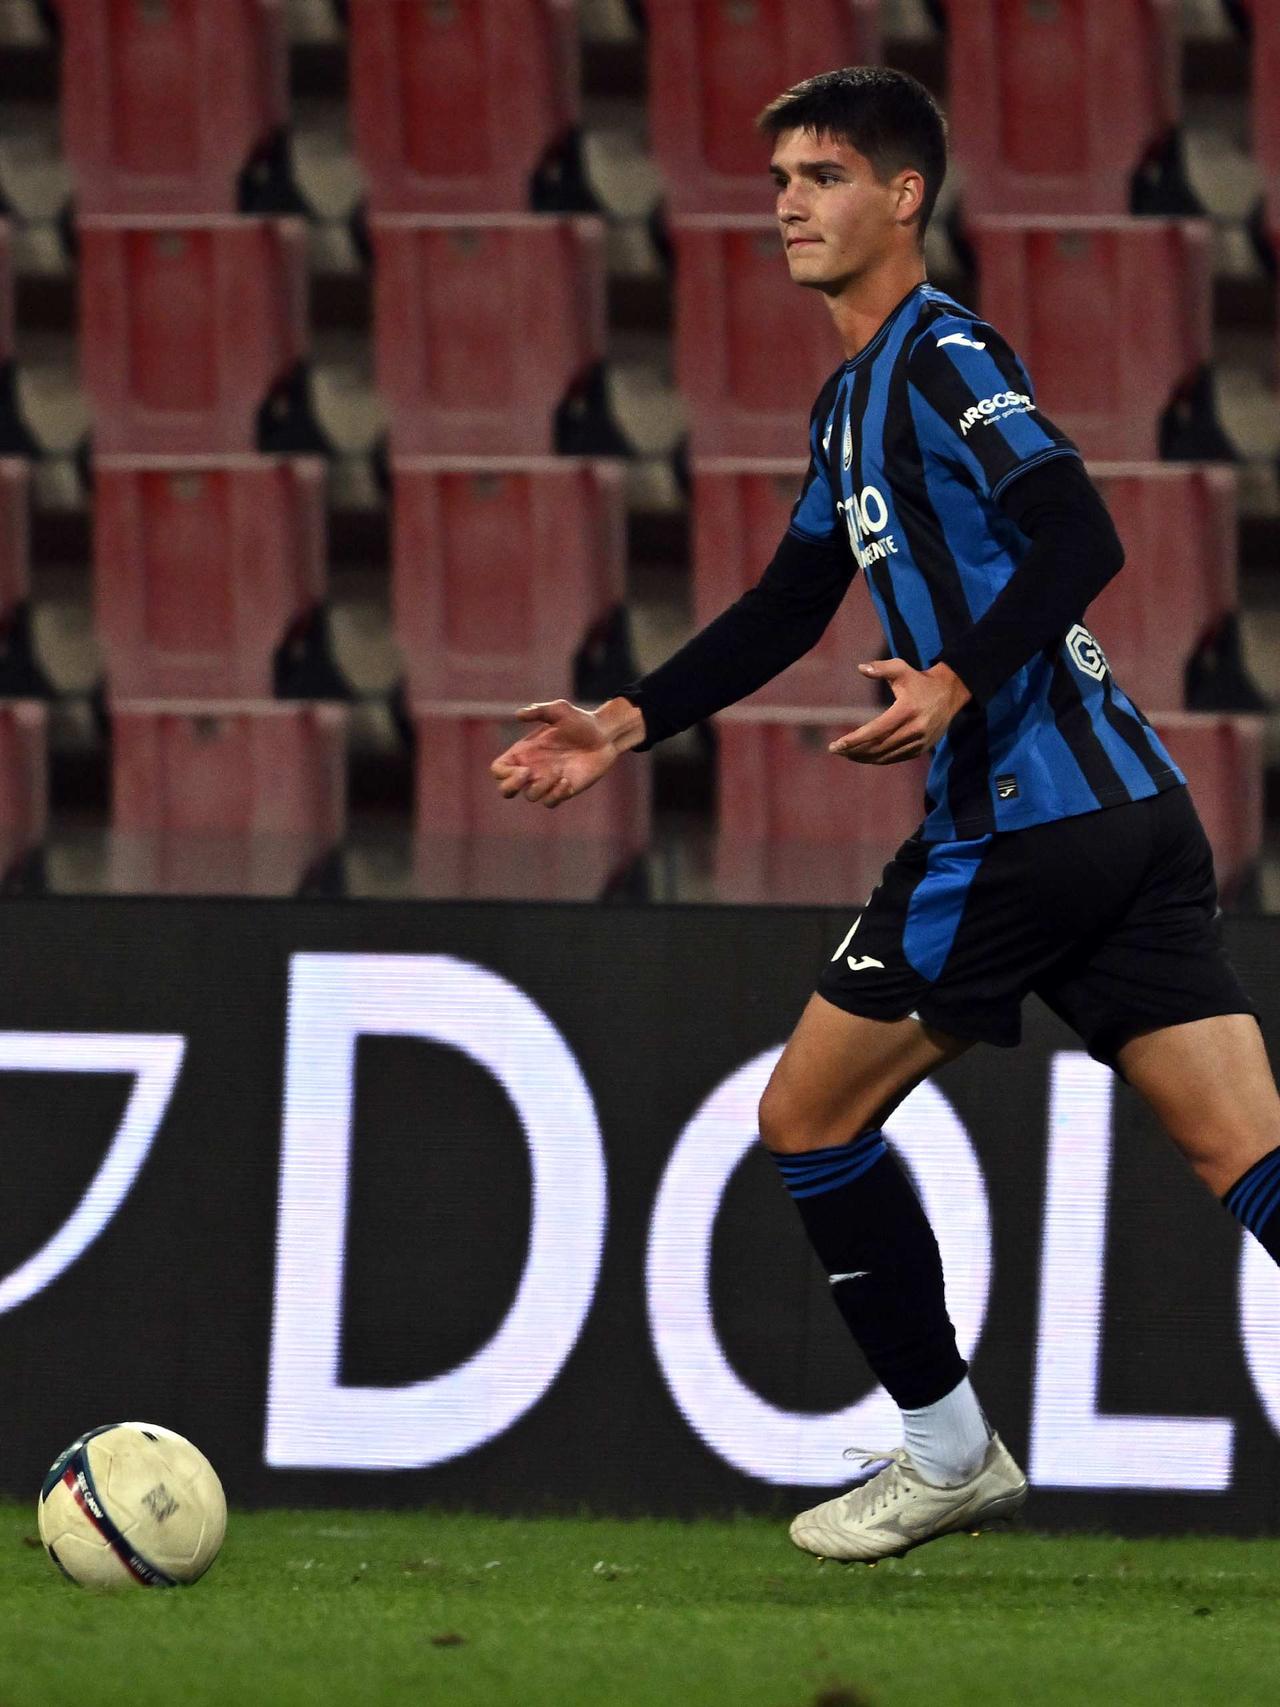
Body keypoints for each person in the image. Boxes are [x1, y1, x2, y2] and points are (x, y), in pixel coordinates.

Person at [489, 65, 1280, 1565]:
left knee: (806, 1115)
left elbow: (1080, 528)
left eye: (827, 173)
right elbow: (791, 603)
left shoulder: (942, 357)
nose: (789, 198)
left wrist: (958, 685)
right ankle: (947, 1446)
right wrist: (622, 721)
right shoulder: (850, 402)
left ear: (904, 197)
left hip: (1024, 819)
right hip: (1135, 818)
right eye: (781, 173)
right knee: (1245, 1151)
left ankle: (946, 1449)